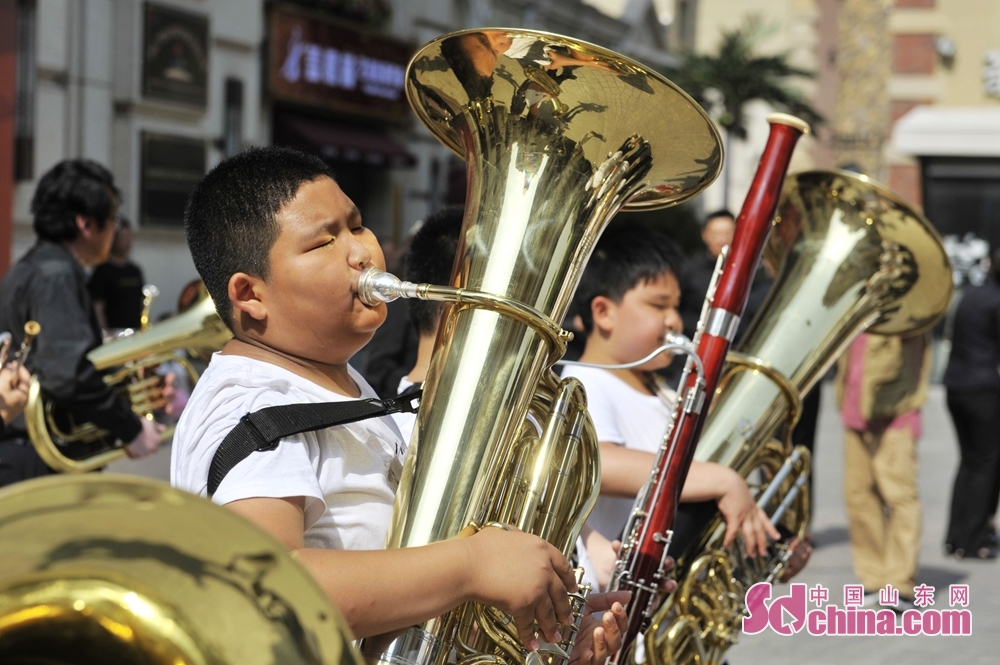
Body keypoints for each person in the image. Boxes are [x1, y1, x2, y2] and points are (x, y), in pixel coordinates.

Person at [170, 146, 628, 663]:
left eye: (357, 225)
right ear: (250, 294)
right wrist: (471, 566)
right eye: (324, 241)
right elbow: (268, 587)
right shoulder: (252, 404)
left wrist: (546, 631)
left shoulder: (343, 387)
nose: (361, 252)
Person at [562, 222, 812, 587]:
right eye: (658, 305)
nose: (675, 320)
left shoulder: (660, 390)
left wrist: (766, 552)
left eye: (676, 306)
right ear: (604, 312)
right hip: (600, 607)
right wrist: (722, 480)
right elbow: (599, 462)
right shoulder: (583, 382)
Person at [0, 160, 162, 487]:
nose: (115, 231)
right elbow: (68, 373)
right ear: (86, 224)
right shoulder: (56, 276)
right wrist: (129, 428)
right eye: (113, 220)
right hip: (38, 457)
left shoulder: (35, 267)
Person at [836, 332, 931, 607]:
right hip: (855, 412)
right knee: (858, 496)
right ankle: (873, 577)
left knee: (901, 497)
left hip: (896, 413)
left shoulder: (911, 301)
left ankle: (900, 582)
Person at [942, 249, 1000, 560]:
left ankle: (956, 536)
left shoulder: (972, 294)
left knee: (968, 462)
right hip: (982, 391)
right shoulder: (995, 300)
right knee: (986, 464)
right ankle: (975, 538)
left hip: (956, 387)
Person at [678, 209, 735, 338]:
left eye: (727, 233)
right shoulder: (689, 269)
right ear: (705, 235)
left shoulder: (750, 271)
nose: (722, 240)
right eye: (716, 234)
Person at [87, 216, 146, 331]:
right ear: (113, 239)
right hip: (114, 334)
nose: (128, 241)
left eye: (130, 236)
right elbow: (98, 307)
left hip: (135, 332)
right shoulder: (102, 271)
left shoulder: (135, 270)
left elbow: (142, 304)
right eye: (123, 236)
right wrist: (104, 334)